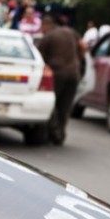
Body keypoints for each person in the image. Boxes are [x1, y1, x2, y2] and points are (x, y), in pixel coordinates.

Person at [37, 15, 84, 146]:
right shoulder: (70, 31)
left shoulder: (48, 37)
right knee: (65, 106)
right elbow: (83, 45)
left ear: (46, 25)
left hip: (57, 74)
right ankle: (61, 135)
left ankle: (54, 132)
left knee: (51, 104)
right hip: (74, 73)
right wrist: (79, 60)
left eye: (42, 27)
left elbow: (40, 59)